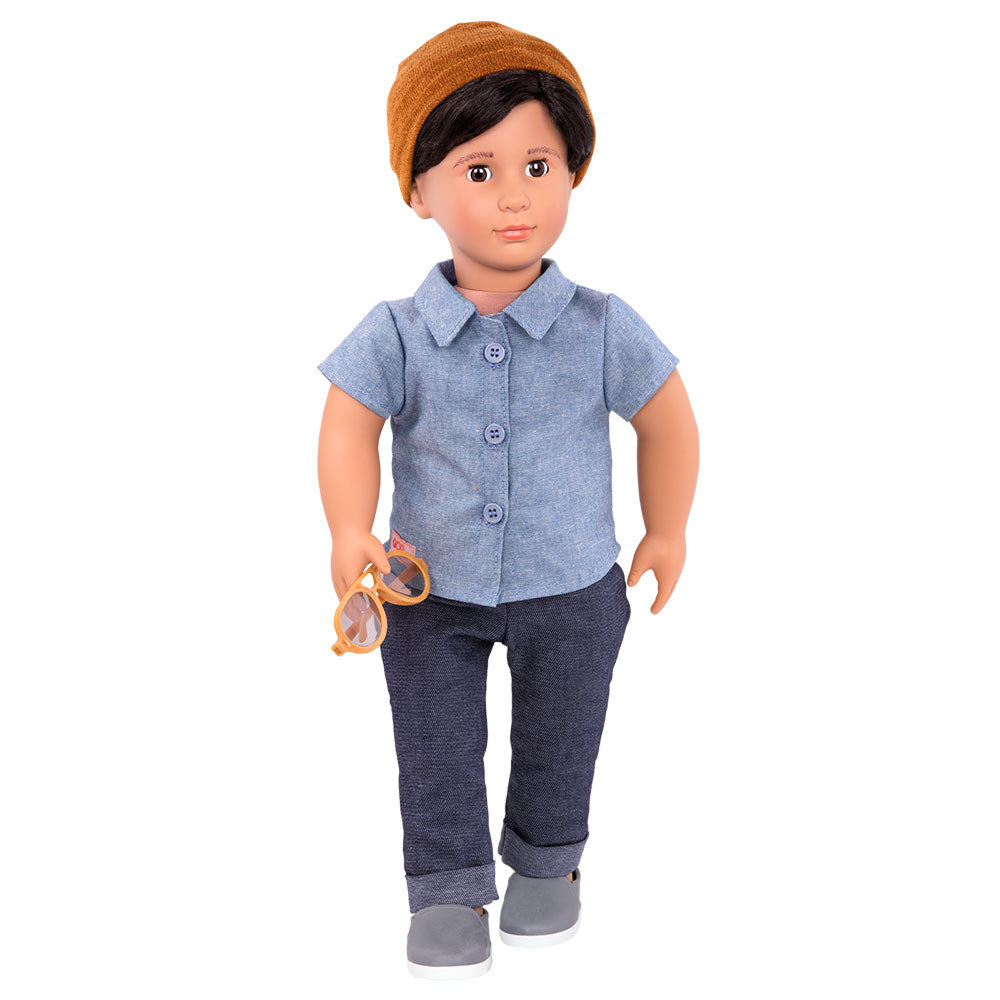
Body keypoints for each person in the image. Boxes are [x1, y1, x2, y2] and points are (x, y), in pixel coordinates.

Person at [316, 21, 699, 979]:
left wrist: (668, 528)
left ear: (573, 172)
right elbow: (347, 427)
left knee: (563, 733)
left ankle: (547, 861)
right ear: (419, 192)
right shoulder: (397, 331)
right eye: (478, 171)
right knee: (435, 742)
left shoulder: (602, 326)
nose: (515, 195)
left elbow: (667, 422)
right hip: (426, 589)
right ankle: (447, 886)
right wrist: (348, 528)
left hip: (572, 584)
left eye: (538, 164)